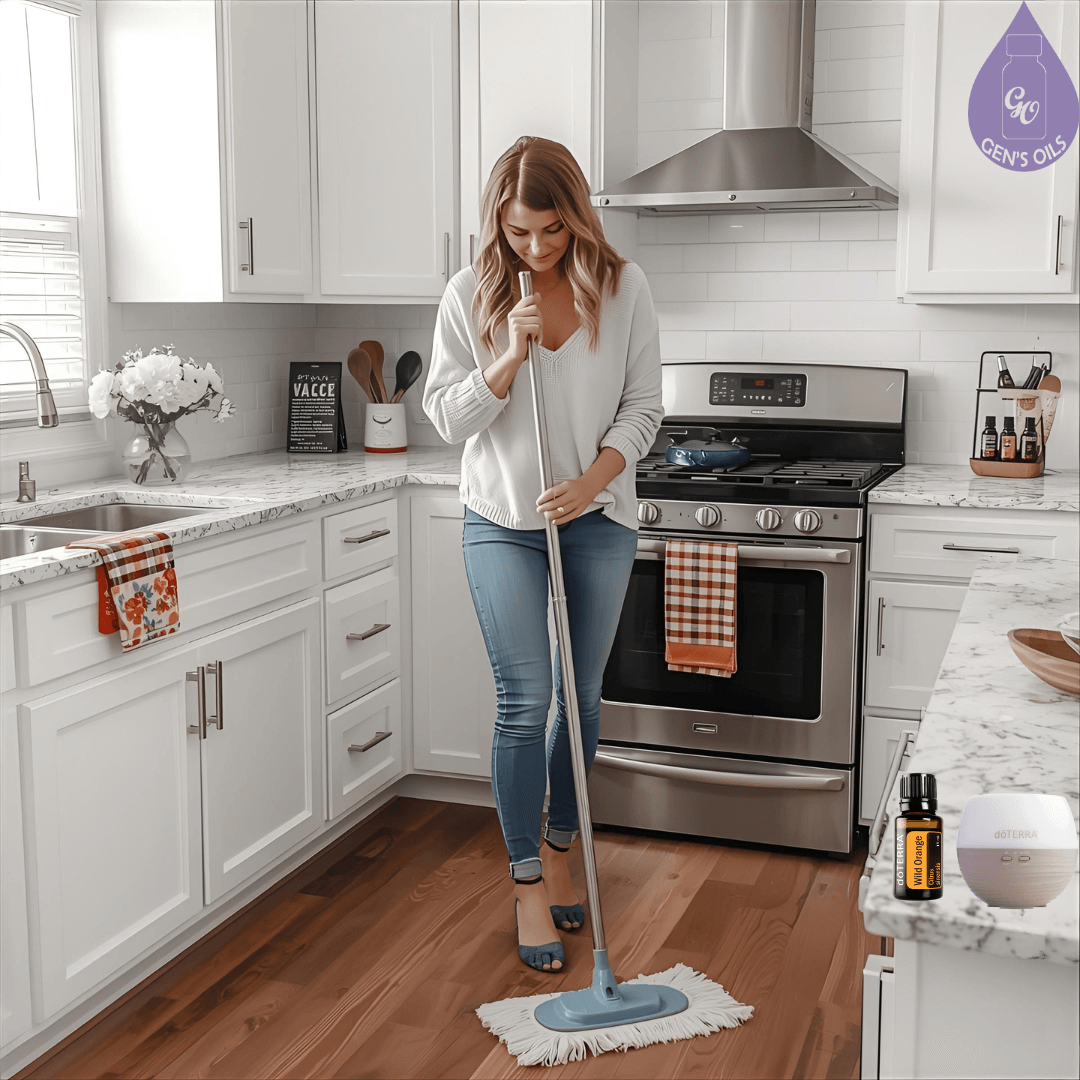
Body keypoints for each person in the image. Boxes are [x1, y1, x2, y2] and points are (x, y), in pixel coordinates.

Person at [423, 136, 663, 972]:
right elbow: (447, 419)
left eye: (554, 232)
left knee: (580, 695)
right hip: (500, 519)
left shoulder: (623, 288)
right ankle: (528, 878)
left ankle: (563, 843)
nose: (537, 250)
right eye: (521, 233)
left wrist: (593, 482)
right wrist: (507, 357)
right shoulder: (470, 294)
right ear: (498, 221)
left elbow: (643, 411)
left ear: (577, 218)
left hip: (597, 518)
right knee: (525, 700)